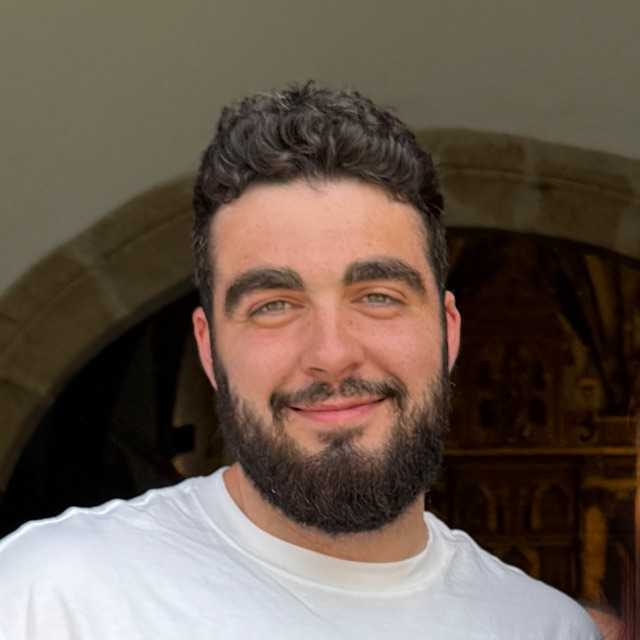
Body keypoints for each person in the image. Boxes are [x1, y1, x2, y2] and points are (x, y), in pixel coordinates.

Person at [0, 83, 599, 639]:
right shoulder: (50, 598)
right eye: (274, 306)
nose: (332, 355)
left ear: (448, 331)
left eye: (378, 297)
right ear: (209, 347)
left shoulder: (546, 629)